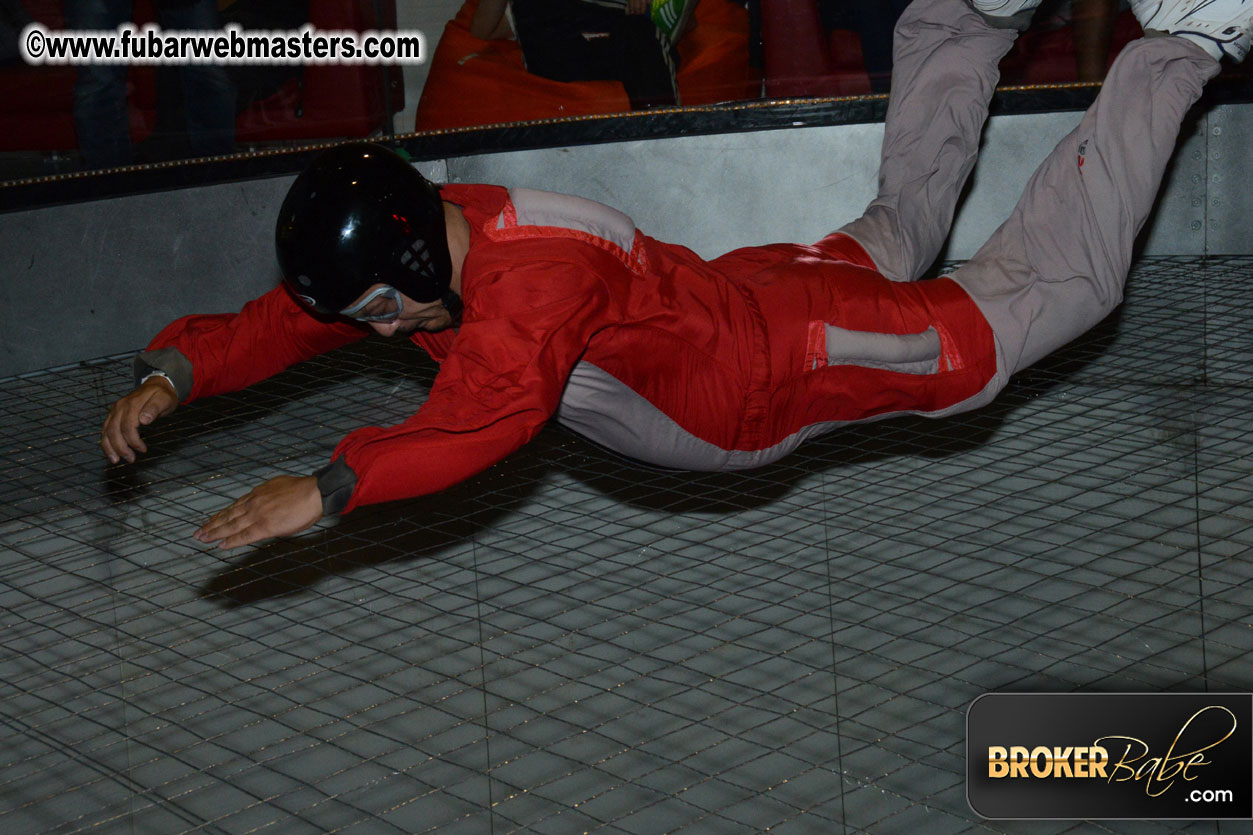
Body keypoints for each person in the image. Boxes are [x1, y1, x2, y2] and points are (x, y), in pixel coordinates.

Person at [101, 0, 1250, 550]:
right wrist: (176, 374)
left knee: (1049, 291)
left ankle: (1182, 41)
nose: (386, 332)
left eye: (382, 309)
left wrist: (334, 485)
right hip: (755, 299)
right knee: (895, 227)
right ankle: (962, 16)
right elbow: (290, 323)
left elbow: (484, 415)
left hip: (787, 362)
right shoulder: (438, 241)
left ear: (404, 255)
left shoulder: (522, 290)